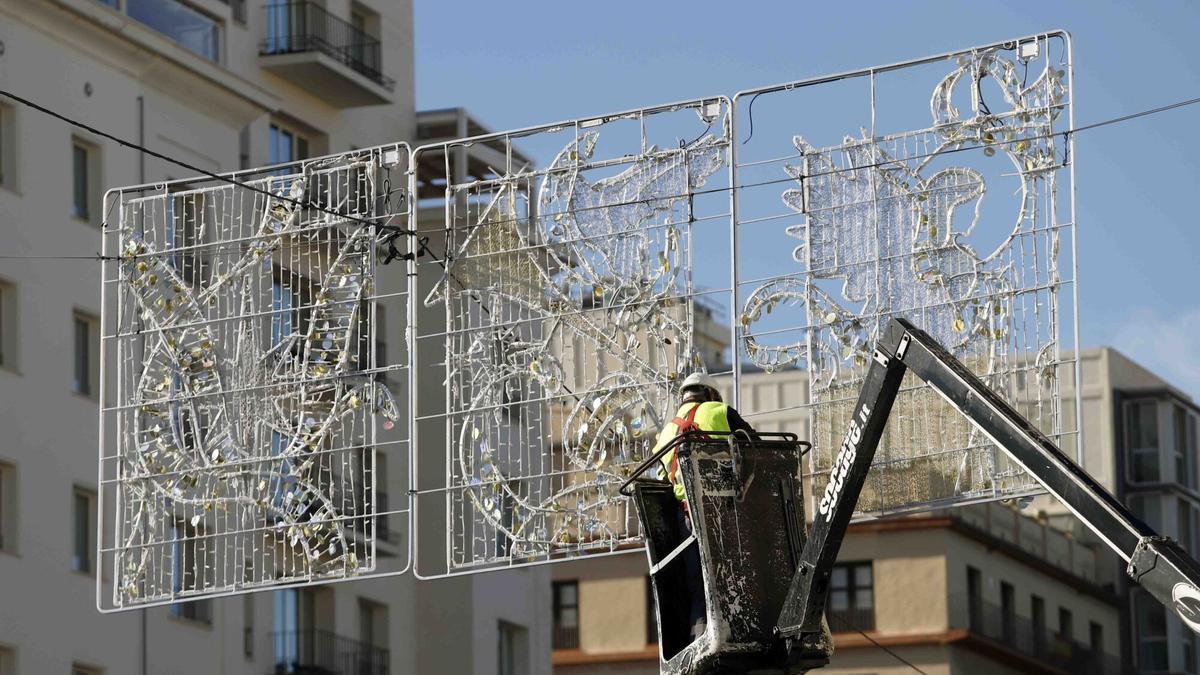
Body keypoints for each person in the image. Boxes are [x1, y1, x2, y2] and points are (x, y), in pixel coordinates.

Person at [650, 372, 758, 639]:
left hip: (687, 518)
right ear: (711, 394)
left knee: (699, 583)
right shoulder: (720, 411)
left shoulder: (667, 432)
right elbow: (754, 445)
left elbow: (661, 478)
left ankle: (700, 636)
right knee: (736, 574)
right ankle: (743, 630)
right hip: (724, 511)